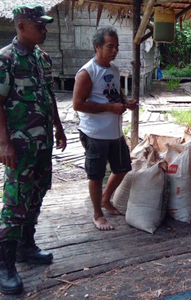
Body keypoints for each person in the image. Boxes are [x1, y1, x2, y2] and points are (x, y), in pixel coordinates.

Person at [0, 4, 67, 295]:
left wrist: (58, 126)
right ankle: (3, 264)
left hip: (42, 143)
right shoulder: (3, 60)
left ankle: (25, 246)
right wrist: (4, 143)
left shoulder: (42, 59)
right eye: (39, 25)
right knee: (16, 201)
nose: (44, 29)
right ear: (21, 27)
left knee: (38, 192)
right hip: (19, 147)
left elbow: (49, 95)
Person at [73, 27, 138, 231]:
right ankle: (97, 214)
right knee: (96, 175)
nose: (115, 50)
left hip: (115, 132)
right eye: (110, 46)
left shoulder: (114, 69)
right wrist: (109, 108)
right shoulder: (87, 73)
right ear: (97, 47)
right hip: (95, 134)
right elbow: (77, 104)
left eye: (117, 46)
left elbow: (114, 94)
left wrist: (125, 102)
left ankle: (105, 199)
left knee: (122, 167)